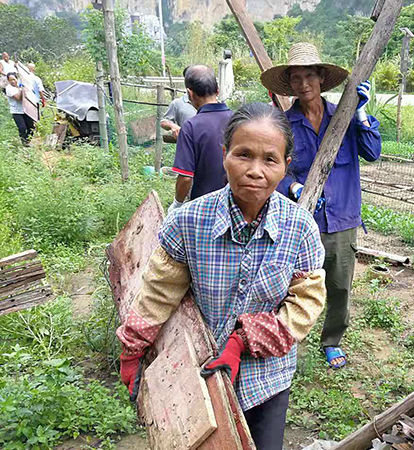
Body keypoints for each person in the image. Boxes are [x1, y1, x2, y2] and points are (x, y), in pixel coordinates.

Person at [116, 102, 326, 450]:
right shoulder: (189, 221)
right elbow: (160, 289)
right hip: (201, 369)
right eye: (243, 155)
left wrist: (242, 342)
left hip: (267, 376)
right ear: (224, 154)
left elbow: (306, 302)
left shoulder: (300, 228)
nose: (255, 171)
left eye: (270, 160)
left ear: (286, 166)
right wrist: (133, 348)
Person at [261, 42, 382, 369]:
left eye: (309, 76)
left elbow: (372, 153)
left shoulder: (342, 115)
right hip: (301, 221)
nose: (304, 84)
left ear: (320, 78)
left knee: (340, 285)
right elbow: (274, 168)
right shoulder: (283, 124)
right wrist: (294, 185)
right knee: (290, 284)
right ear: (291, 84)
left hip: (342, 218)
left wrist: (361, 113)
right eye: (297, 78)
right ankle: (285, 337)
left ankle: (331, 340)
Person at [168, 65, 233, 216]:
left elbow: (185, 177)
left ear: (190, 94)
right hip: (237, 205)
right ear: (217, 90)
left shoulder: (191, 127)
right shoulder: (238, 120)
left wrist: (177, 204)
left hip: (203, 209)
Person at [160, 66, 197, 140]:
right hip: (186, 147)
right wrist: (172, 126)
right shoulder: (178, 103)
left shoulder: (211, 102)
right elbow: (163, 122)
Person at [6, 72, 35, 144]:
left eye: (14, 79)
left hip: (26, 110)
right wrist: (22, 89)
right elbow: (18, 98)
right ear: (8, 81)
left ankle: (28, 141)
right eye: (10, 80)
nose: (13, 81)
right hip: (16, 111)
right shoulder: (9, 88)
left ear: (17, 79)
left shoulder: (20, 86)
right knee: (22, 128)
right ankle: (24, 143)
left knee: (31, 127)